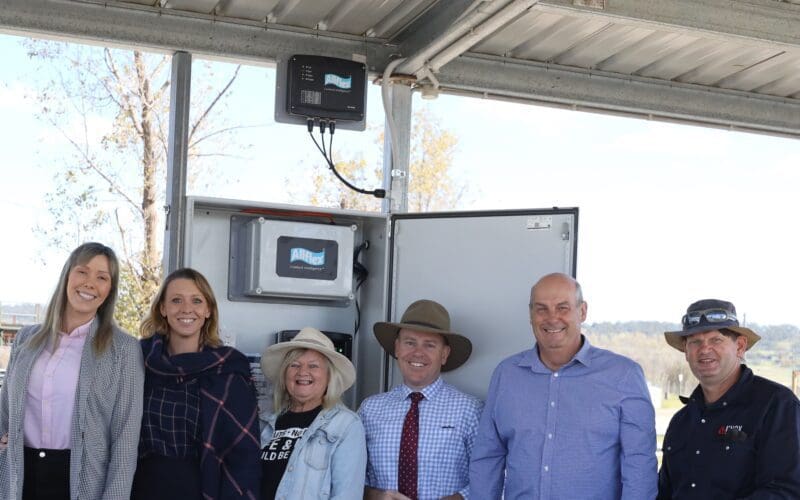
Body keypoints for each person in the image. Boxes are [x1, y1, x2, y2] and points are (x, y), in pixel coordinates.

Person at [470, 272, 657, 499]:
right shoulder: (506, 374)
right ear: (531, 315)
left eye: (562, 308)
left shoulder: (624, 375)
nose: (552, 318)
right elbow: (488, 457)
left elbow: (639, 465)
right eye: (541, 309)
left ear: (583, 311)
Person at [0, 242, 144, 500]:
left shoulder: (124, 349)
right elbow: (5, 412)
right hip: (20, 477)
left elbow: (125, 439)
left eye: (102, 277)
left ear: (109, 289)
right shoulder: (25, 338)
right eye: (82, 272)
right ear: (67, 275)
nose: (90, 283)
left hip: (82, 482)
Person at [132, 268, 260, 499]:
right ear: (163, 308)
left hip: (202, 489)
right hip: (139, 487)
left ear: (208, 310)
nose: (186, 309)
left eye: (197, 300)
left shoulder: (229, 369)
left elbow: (243, 456)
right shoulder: (138, 360)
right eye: (176, 300)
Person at [657, 299, 800, 499]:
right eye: (695, 342)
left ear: (740, 346)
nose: (704, 349)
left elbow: (786, 490)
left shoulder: (776, 405)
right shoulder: (680, 422)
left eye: (716, 340)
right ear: (686, 352)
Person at [359, 299, 482, 500]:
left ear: (444, 354)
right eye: (410, 342)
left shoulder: (470, 410)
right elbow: (347, 473)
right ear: (397, 348)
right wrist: (374, 496)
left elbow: (489, 474)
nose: (418, 353)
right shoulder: (370, 409)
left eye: (430, 345)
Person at [258, 327, 365, 499]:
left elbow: (347, 494)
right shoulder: (264, 422)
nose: (302, 372)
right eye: (294, 365)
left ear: (329, 376)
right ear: (285, 374)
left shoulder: (345, 425)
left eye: (313, 366)